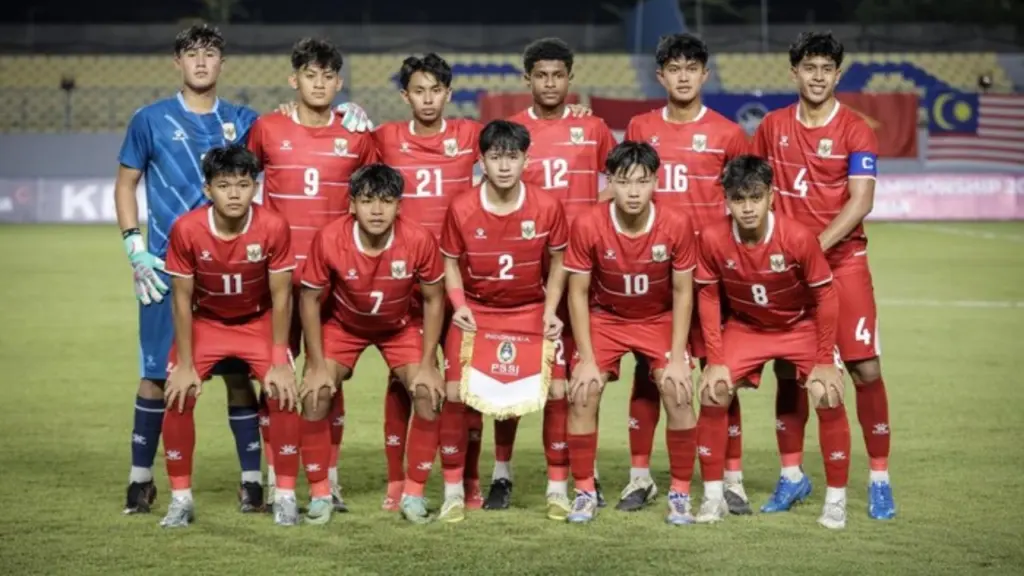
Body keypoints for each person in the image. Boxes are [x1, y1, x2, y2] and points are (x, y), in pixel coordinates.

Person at [115, 24, 372, 515]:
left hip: (247, 270)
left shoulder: (245, 121)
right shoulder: (149, 119)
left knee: (251, 376)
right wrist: (134, 247)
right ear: (177, 62)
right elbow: (126, 183)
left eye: (210, 53)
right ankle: (140, 480)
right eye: (192, 54)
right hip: (167, 268)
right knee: (157, 375)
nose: (201, 62)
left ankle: (260, 483)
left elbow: (293, 137)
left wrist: (346, 113)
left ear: (222, 62)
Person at [753, 31, 895, 520]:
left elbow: (861, 201)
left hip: (843, 264)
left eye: (826, 69)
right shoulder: (771, 126)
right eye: (809, 67)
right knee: (788, 372)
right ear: (794, 71)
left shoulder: (856, 130)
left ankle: (879, 479)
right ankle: (792, 476)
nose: (817, 77)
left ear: (838, 74)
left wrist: (812, 248)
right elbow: (756, 188)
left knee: (865, 369)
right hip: (789, 273)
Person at [483, 38, 618, 510]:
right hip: (527, 274)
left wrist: (590, 221)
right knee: (511, 374)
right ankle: (501, 472)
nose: (550, 83)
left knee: (579, 377)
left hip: (583, 273)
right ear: (527, 79)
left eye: (558, 75)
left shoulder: (593, 128)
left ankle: (583, 471)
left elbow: (618, 180)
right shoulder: (511, 132)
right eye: (541, 75)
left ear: (570, 78)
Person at [622, 33, 752, 514]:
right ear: (661, 76)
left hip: (714, 277)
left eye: (691, 68)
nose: (683, 76)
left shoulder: (729, 134)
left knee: (722, 377)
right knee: (649, 374)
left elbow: (746, 200)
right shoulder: (640, 126)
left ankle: (731, 479)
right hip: (655, 275)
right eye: (674, 68)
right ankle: (640, 477)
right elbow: (626, 188)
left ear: (705, 75)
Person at [248, 37, 377, 512]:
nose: (319, 84)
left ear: (339, 83)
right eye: (309, 75)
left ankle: (330, 479)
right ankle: (274, 480)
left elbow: (376, 197)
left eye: (327, 76)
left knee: (326, 379)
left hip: (334, 283)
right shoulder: (267, 128)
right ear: (293, 79)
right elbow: (239, 184)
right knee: (276, 378)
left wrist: (364, 118)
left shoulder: (357, 135)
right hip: (277, 281)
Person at [692, 155, 851, 529]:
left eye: (755, 198)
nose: (747, 208)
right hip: (748, 327)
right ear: (726, 200)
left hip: (800, 325)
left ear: (771, 196)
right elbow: (708, 296)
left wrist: (824, 360)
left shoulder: (797, 237)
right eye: (738, 199)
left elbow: (826, 296)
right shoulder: (712, 238)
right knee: (713, 391)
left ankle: (836, 501)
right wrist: (715, 359)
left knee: (828, 392)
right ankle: (714, 498)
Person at [159, 145, 300, 528]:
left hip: (258, 322)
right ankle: (181, 500)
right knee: (178, 393)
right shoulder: (187, 229)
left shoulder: (273, 226)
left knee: (284, 391)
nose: (234, 194)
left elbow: (282, 296)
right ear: (208, 190)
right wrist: (184, 364)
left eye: (243, 184)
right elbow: (181, 300)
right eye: (224, 186)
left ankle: (285, 496)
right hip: (208, 323)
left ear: (255, 186)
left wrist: (279, 359)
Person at [436, 120, 570, 523]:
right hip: (477, 312)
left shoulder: (547, 206)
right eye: (496, 157)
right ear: (482, 161)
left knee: (558, 391)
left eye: (513, 157)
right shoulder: (462, 207)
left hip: (530, 310)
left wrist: (551, 310)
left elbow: (560, 262)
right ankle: (453, 492)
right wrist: (458, 304)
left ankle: (558, 489)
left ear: (527, 159)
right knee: (455, 394)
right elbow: (450, 262)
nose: (505, 166)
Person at [297, 163, 446, 525]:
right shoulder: (329, 238)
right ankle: (320, 494)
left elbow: (434, 299)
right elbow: (309, 299)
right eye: (367, 201)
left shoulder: (419, 240)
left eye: (386, 201)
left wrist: (429, 363)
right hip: (344, 325)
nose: (377, 211)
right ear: (352, 205)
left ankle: (414, 493)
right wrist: (315, 366)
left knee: (427, 392)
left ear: (399, 205)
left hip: (400, 326)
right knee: (315, 393)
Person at [563, 141, 698, 525]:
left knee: (678, 390)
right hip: (606, 318)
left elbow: (683, 292)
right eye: (623, 182)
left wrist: (677, 358)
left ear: (656, 181)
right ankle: (585, 491)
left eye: (642, 181)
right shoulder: (588, 223)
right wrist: (587, 359)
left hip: (658, 318)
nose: (633, 192)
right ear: (610, 182)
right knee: (583, 391)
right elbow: (577, 293)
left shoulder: (676, 223)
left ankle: (680, 494)